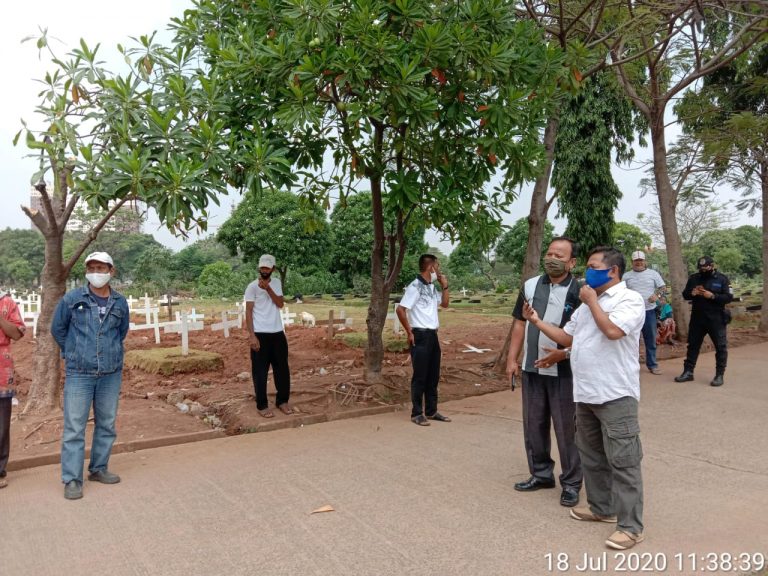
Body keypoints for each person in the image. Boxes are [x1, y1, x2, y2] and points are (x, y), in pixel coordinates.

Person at [523, 246, 646, 551]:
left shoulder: (628, 300)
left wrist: (591, 301)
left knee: (624, 460)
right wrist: (537, 322)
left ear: (612, 271)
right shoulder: (589, 304)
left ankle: (631, 527)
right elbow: (568, 338)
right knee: (591, 456)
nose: (587, 273)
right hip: (586, 393)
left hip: (616, 394)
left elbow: (613, 332)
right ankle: (602, 508)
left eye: (593, 266)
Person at [506, 237, 583, 507]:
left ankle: (571, 483)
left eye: (560, 256)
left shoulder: (581, 292)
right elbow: (518, 324)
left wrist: (562, 354)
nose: (552, 258)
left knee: (567, 430)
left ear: (572, 262)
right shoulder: (530, 285)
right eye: (550, 253)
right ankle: (540, 474)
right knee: (534, 424)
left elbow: (584, 336)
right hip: (532, 369)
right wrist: (512, 359)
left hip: (565, 371)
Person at [51, 252, 130, 500]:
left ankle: (98, 468)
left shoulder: (119, 302)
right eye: (92, 267)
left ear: (111, 271)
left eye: (101, 267)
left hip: (110, 373)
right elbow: (58, 329)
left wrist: (110, 353)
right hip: (79, 373)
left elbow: (121, 331)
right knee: (74, 427)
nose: (96, 272)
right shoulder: (73, 299)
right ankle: (72, 479)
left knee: (106, 424)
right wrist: (73, 352)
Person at [396, 254, 451, 426]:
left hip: (432, 335)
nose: (439, 269)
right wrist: (409, 331)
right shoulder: (415, 286)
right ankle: (417, 413)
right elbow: (400, 309)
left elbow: (445, 304)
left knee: (433, 375)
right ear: (431, 267)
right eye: (438, 265)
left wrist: (445, 286)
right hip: (420, 335)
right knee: (420, 375)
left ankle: (432, 411)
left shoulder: (431, 287)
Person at [674, 256, 733, 387]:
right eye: (701, 267)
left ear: (712, 266)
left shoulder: (722, 279)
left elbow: (729, 297)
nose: (703, 269)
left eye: (706, 267)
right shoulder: (694, 278)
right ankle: (688, 372)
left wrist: (712, 296)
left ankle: (719, 375)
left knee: (721, 347)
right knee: (693, 346)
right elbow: (685, 295)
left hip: (716, 318)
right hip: (697, 318)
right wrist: (693, 293)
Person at [245, 254, 292, 418]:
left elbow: (280, 304)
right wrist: (252, 336)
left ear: (272, 268)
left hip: (278, 333)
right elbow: (249, 311)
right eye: (262, 267)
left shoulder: (277, 283)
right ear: (259, 268)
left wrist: (268, 289)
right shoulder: (251, 287)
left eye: (267, 267)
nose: (264, 270)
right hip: (260, 334)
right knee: (260, 372)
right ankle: (262, 405)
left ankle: (282, 401)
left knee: (282, 370)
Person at [622, 251, 666, 375]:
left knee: (650, 339)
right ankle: (631, 366)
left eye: (641, 260)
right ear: (632, 262)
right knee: (631, 339)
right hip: (631, 312)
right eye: (636, 261)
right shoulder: (626, 276)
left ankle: (652, 365)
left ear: (645, 261)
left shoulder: (653, 274)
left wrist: (657, 295)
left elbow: (663, 288)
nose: (639, 262)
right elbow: (620, 292)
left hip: (649, 312)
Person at [0, 289, 26, 489]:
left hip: (1, 369)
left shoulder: (6, 302)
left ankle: (0, 470)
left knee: (1, 425)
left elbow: (17, 334)